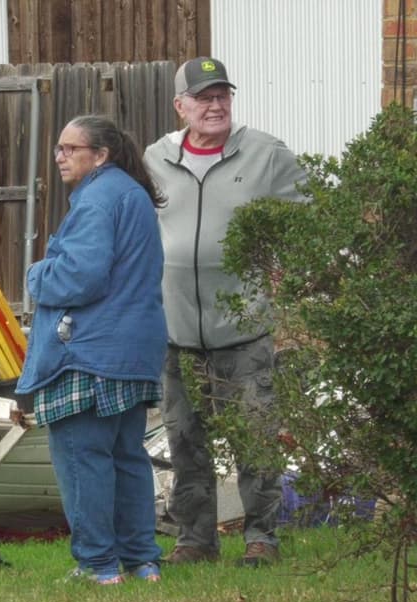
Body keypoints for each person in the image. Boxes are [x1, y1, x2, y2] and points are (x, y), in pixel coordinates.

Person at [144, 57, 307, 567]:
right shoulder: (154, 159)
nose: (215, 105)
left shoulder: (264, 153)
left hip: (245, 328)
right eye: (203, 97)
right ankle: (195, 540)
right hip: (176, 331)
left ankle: (261, 537)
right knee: (185, 439)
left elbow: (308, 215)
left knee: (256, 438)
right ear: (181, 106)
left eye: (222, 95)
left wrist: (289, 275)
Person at [16, 115, 168, 585]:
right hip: (131, 350)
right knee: (127, 458)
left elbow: (80, 276)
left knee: (84, 459)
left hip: (87, 352)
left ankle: (98, 566)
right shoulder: (130, 193)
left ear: (99, 155)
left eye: (69, 149)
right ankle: (142, 562)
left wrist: (36, 274)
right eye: (58, 148)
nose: (59, 157)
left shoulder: (98, 199)